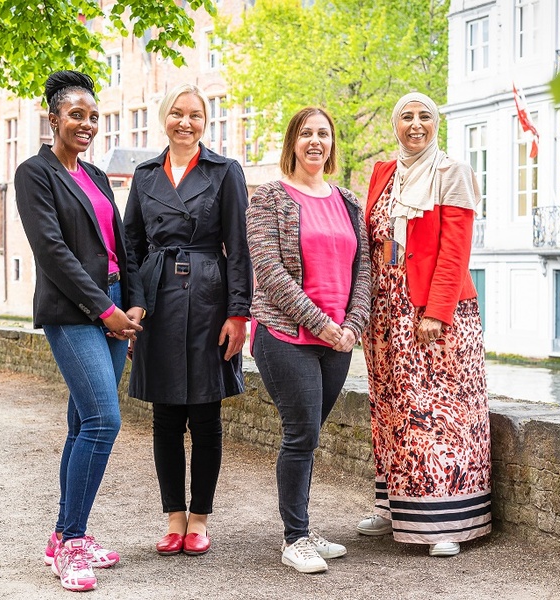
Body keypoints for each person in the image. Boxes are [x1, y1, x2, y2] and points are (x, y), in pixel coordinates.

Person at [14, 70, 145, 591]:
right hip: (73, 312)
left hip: (115, 304)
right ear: (53, 119)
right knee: (103, 421)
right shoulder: (34, 174)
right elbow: (53, 253)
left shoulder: (94, 176)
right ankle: (71, 543)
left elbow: (122, 243)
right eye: (76, 115)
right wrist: (105, 312)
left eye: (93, 116)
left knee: (81, 424)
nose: (87, 124)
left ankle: (64, 536)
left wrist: (132, 306)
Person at [357, 91, 492, 556]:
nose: (415, 125)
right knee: (392, 409)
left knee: (440, 414)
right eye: (406, 117)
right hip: (386, 310)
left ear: (437, 123)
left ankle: (448, 522)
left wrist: (436, 310)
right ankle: (395, 505)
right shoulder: (383, 172)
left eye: (425, 117)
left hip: (434, 310)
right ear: (395, 125)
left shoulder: (452, 172)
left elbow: (456, 249)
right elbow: (370, 243)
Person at [123, 83, 252, 558]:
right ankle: (173, 518)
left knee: (205, 413)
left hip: (209, 299)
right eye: (177, 114)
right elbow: (130, 246)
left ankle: (199, 518)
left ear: (205, 121)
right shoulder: (144, 175)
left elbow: (239, 249)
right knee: (165, 416)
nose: (186, 122)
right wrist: (134, 303)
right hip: (157, 301)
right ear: (165, 118)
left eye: (195, 115)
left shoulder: (225, 172)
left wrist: (239, 314)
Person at [247, 107, 371, 574]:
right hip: (285, 333)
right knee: (300, 434)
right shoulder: (269, 198)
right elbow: (270, 271)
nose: (315, 141)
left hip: (337, 339)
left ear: (332, 143)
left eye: (323, 133)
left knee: (311, 436)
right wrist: (319, 322)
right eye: (306, 133)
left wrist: (354, 325)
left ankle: (303, 525)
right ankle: (294, 537)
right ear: (292, 143)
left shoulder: (348, 201)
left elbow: (365, 271)